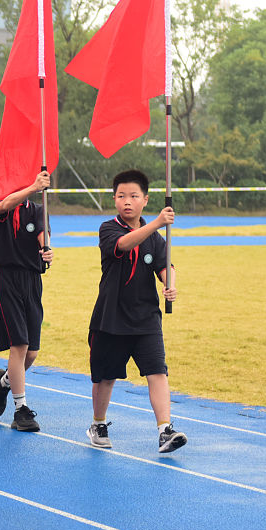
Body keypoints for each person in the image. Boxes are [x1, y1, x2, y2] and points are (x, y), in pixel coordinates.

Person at [87, 170, 186, 454]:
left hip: (146, 319)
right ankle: (98, 423)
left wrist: (170, 284)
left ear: (145, 199)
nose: (127, 201)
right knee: (105, 377)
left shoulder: (155, 238)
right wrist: (157, 222)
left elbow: (166, 266)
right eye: (121, 196)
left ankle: (164, 430)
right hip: (111, 319)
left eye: (133, 196)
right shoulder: (108, 229)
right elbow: (123, 245)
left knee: (157, 372)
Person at [0, 170, 53, 432]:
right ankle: (21, 410)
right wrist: (33, 187)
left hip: (32, 279)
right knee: (20, 344)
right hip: (5, 277)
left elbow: (43, 237)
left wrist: (47, 250)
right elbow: (5, 205)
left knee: (32, 352)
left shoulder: (37, 209)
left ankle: (3, 384)